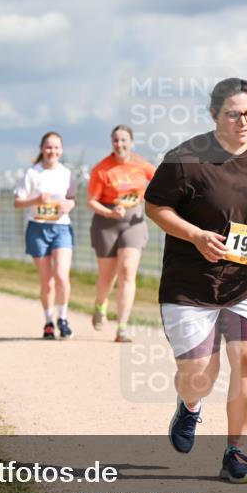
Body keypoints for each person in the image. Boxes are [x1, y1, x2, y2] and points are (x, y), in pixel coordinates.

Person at [144, 78, 247, 484]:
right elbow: (155, 207)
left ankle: (237, 453)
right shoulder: (185, 158)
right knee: (199, 373)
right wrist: (194, 235)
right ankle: (190, 406)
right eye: (233, 113)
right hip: (192, 283)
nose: (243, 121)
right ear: (214, 115)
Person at [87, 125, 156, 342]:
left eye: (124, 140)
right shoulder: (102, 169)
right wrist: (109, 211)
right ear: (112, 143)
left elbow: (160, 184)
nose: (120, 144)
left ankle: (122, 327)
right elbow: (91, 201)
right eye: (116, 140)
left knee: (127, 270)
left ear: (132, 142)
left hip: (133, 223)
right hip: (106, 223)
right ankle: (100, 304)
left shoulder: (142, 165)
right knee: (107, 278)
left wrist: (151, 198)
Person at [14, 132, 77, 340]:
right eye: (49, 147)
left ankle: (63, 318)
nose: (53, 151)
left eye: (57, 147)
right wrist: (36, 200)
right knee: (47, 281)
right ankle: (49, 321)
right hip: (38, 228)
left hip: (61, 228)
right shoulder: (32, 173)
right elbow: (18, 202)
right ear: (42, 149)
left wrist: (69, 205)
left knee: (61, 275)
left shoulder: (66, 173)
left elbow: (72, 199)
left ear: (61, 150)